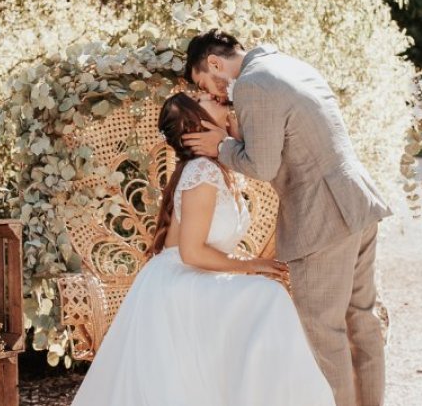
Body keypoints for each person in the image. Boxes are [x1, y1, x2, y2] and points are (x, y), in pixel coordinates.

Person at [71, 91, 335, 406]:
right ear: (195, 122)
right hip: (178, 284)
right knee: (268, 297)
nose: (212, 95)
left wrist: (229, 128)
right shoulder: (201, 171)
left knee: (266, 298)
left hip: (196, 277)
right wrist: (252, 265)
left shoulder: (217, 166)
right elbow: (192, 253)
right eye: (202, 98)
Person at [182, 29, 392, 406]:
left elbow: (261, 166)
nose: (214, 94)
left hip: (322, 218)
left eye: (206, 83)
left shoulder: (252, 84)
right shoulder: (289, 65)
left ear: (215, 63)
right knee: (361, 321)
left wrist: (221, 145)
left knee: (324, 336)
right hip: (357, 200)